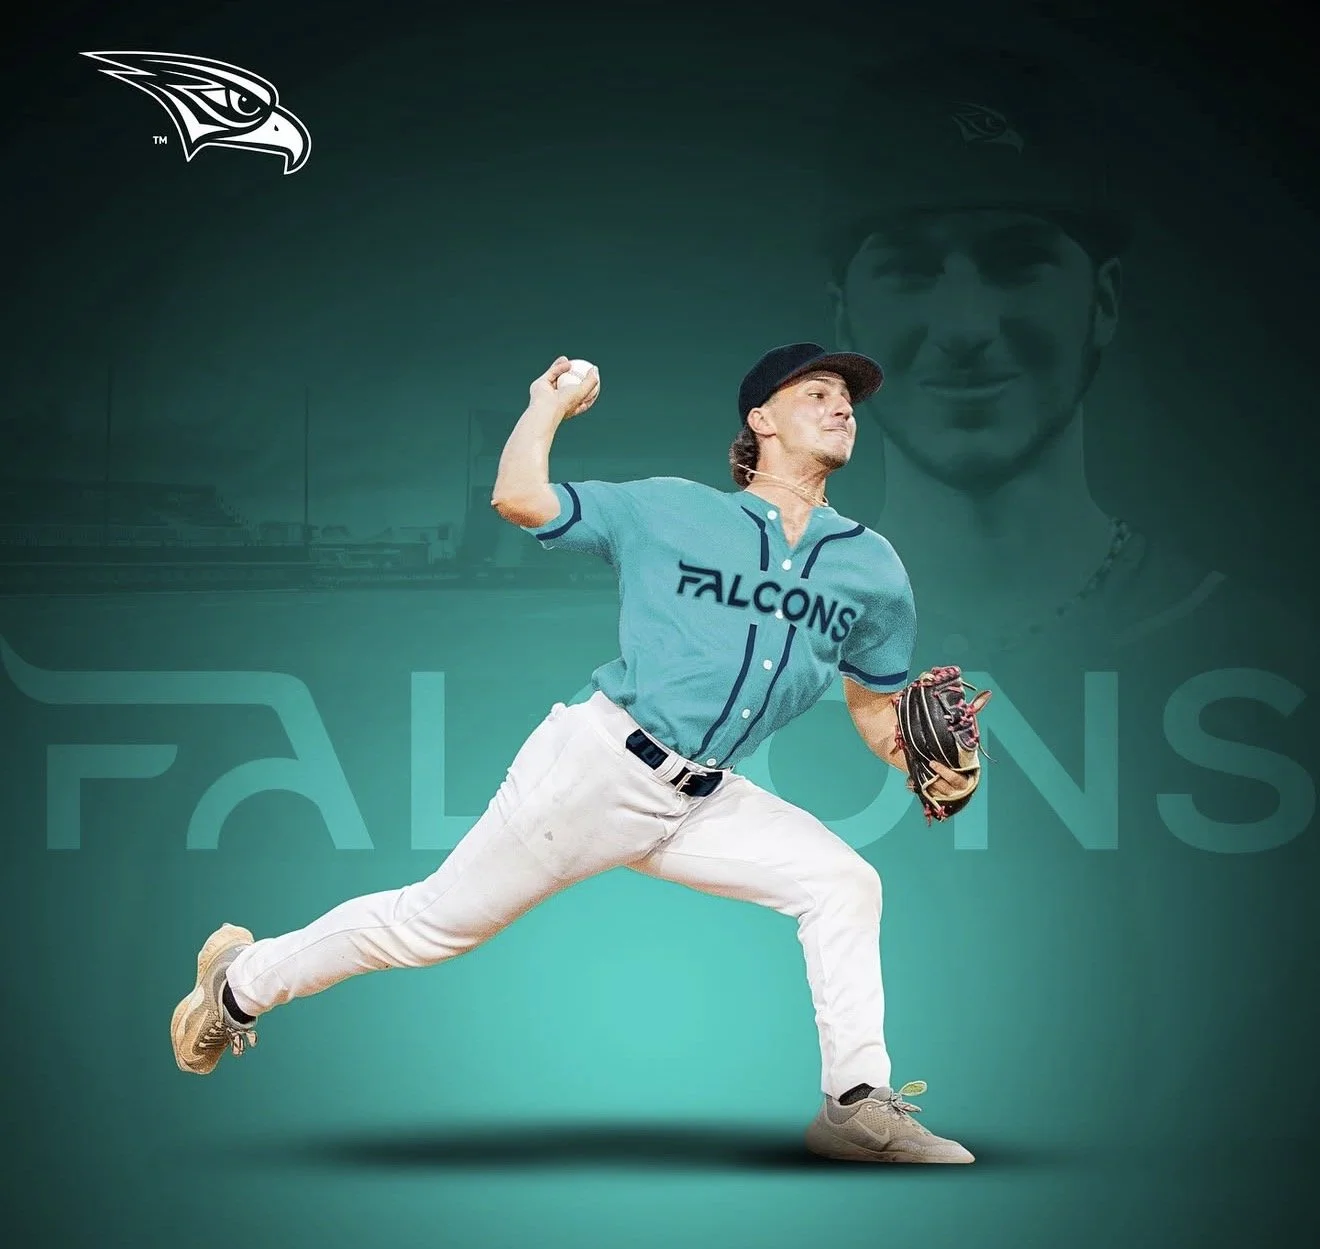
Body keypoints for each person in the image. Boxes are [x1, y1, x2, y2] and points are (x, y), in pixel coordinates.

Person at [170, 343, 990, 1165]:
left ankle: (854, 1105)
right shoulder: (668, 509)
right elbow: (517, 497)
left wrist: (938, 764)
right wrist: (548, 405)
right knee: (428, 926)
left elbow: (877, 708)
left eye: (848, 396)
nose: (842, 405)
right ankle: (240, 983)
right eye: (818, 391)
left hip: (705, 799)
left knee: (845, 881)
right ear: (761, 419)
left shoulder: (872, 567)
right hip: (595, 770)